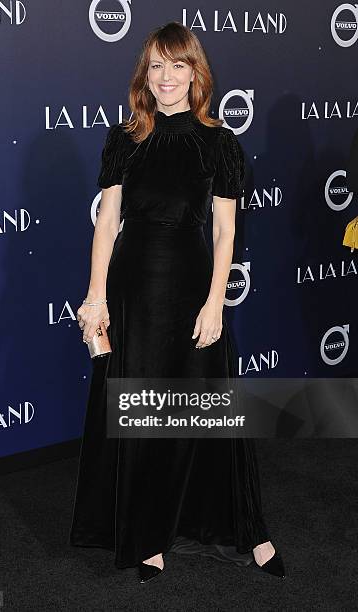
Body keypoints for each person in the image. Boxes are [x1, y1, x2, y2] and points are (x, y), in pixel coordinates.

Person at [69, 21, 286, 583]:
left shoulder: (219, 143)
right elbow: (108, 222)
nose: (166, 78)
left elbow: (223, 233)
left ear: (196, 73)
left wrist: (215, 302)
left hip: (192, 287)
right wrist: (96, 297)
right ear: (146, 72)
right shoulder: (125, 138)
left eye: (178, 66)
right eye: (157, 66)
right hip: (133, 287)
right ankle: (149, 536)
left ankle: (245, 529)